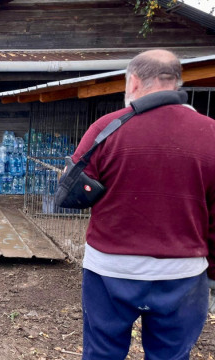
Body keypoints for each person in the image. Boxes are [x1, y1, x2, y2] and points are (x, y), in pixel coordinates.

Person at [74, 49, 215, 359]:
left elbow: (73, 191)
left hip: (109, 270)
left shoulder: (106, 129)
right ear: (177, 82)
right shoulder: (211, 133)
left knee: (102, 354)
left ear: (134, 82)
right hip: (182, 273)